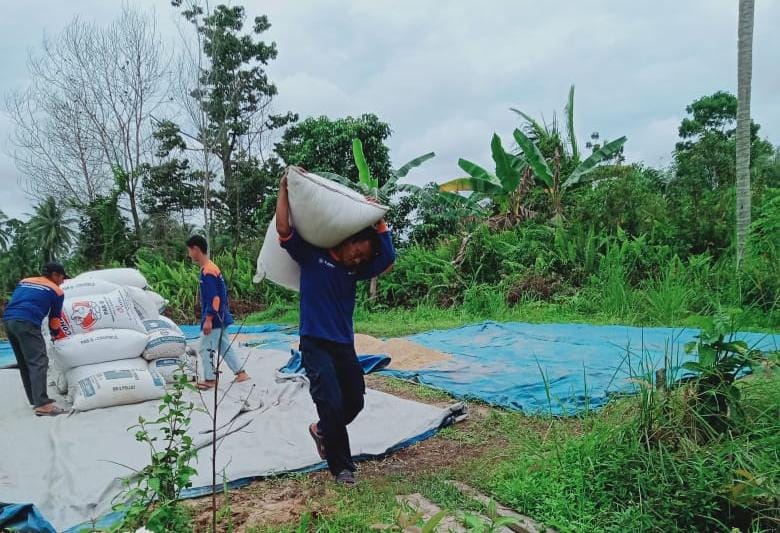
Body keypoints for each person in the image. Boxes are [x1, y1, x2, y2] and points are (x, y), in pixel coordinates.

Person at [275, 172, 396, 485]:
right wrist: (284, 188)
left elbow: (388, 260)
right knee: (329, 401)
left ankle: (320, 430)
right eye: (358, 252)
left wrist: (378, 219)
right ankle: (343, 468)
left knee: (354, 400)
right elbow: (284, 230)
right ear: (348, 240)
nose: (358, 259)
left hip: (343, 344)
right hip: (314, 343)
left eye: (364, 258)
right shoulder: (311, 257)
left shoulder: (352, 272)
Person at [2, 262, 68, 416]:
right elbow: (54, 318)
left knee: (25, 362)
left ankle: (35, 399)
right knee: (39, 361)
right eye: (62, 277)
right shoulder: (57, 291)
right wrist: (55, 334)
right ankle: (43, 405)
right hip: (27, 322)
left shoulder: (25, 281)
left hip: (8, 321)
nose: (62, 281)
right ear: (54, 275)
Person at [186, 235, 250, 390]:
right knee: (224, 346)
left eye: (189, 250)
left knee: (204, 348)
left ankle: (210, 379)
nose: (189, 254)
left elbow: (215, 299)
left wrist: (208, 319)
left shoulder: (208, 272)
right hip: (221, 315)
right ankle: (241, 373)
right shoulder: (212, 267)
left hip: (214, 318)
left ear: (196, 249)